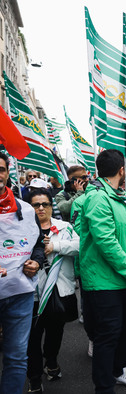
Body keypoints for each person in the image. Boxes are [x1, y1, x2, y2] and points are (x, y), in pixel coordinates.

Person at [79, 149, 126, 392]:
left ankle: (120, 369)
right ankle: (104, 386)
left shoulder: (120, 196)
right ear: (122, 171)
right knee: (108, 335)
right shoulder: (98, 198)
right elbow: (106, 242)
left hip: (124, 280)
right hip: (104, 282)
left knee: (125, 329)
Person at [26, 188, 80, 393]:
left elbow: (79, 246)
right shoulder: (23, 228)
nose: (41, 208)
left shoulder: (64, 227)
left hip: (59, 291)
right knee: (31, 337)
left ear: (51, 205)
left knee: (55, 332)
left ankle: (51, 360)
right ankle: (34, 376)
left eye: (45, 204)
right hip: (31, 294)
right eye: (36, 205)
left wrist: (55, 246)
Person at [0, 151, 44, 394]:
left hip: (20, 294)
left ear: (7, 174)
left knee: (17, 358)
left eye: (1, 169)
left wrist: (36, 262)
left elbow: (38, 244)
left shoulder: (26, 210)